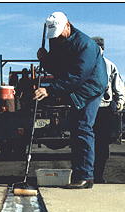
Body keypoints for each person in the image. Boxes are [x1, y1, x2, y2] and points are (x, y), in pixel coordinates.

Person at [34, 12, 108, 189]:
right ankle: (78, 172)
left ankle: (86, 177)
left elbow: (77, 75)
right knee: (75, 130)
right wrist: (45, 59)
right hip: (75, 87)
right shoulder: (56, 39)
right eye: (54, 35)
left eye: (59, 33)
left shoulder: (86, 45)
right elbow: (58, 67)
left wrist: (50, 90)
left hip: (91, 87)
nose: (56, 37)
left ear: (68, 25)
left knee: (83, 127)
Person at [92, 36, 125, 183]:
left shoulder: (110, 65)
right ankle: (86, 174)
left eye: (99, 48)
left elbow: (119, 87)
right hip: (89, 110)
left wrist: (119, 104)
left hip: (105, 109)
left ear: (103, 49)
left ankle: (98, 175)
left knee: (102, 145)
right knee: (86, 144)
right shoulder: (85, 65)